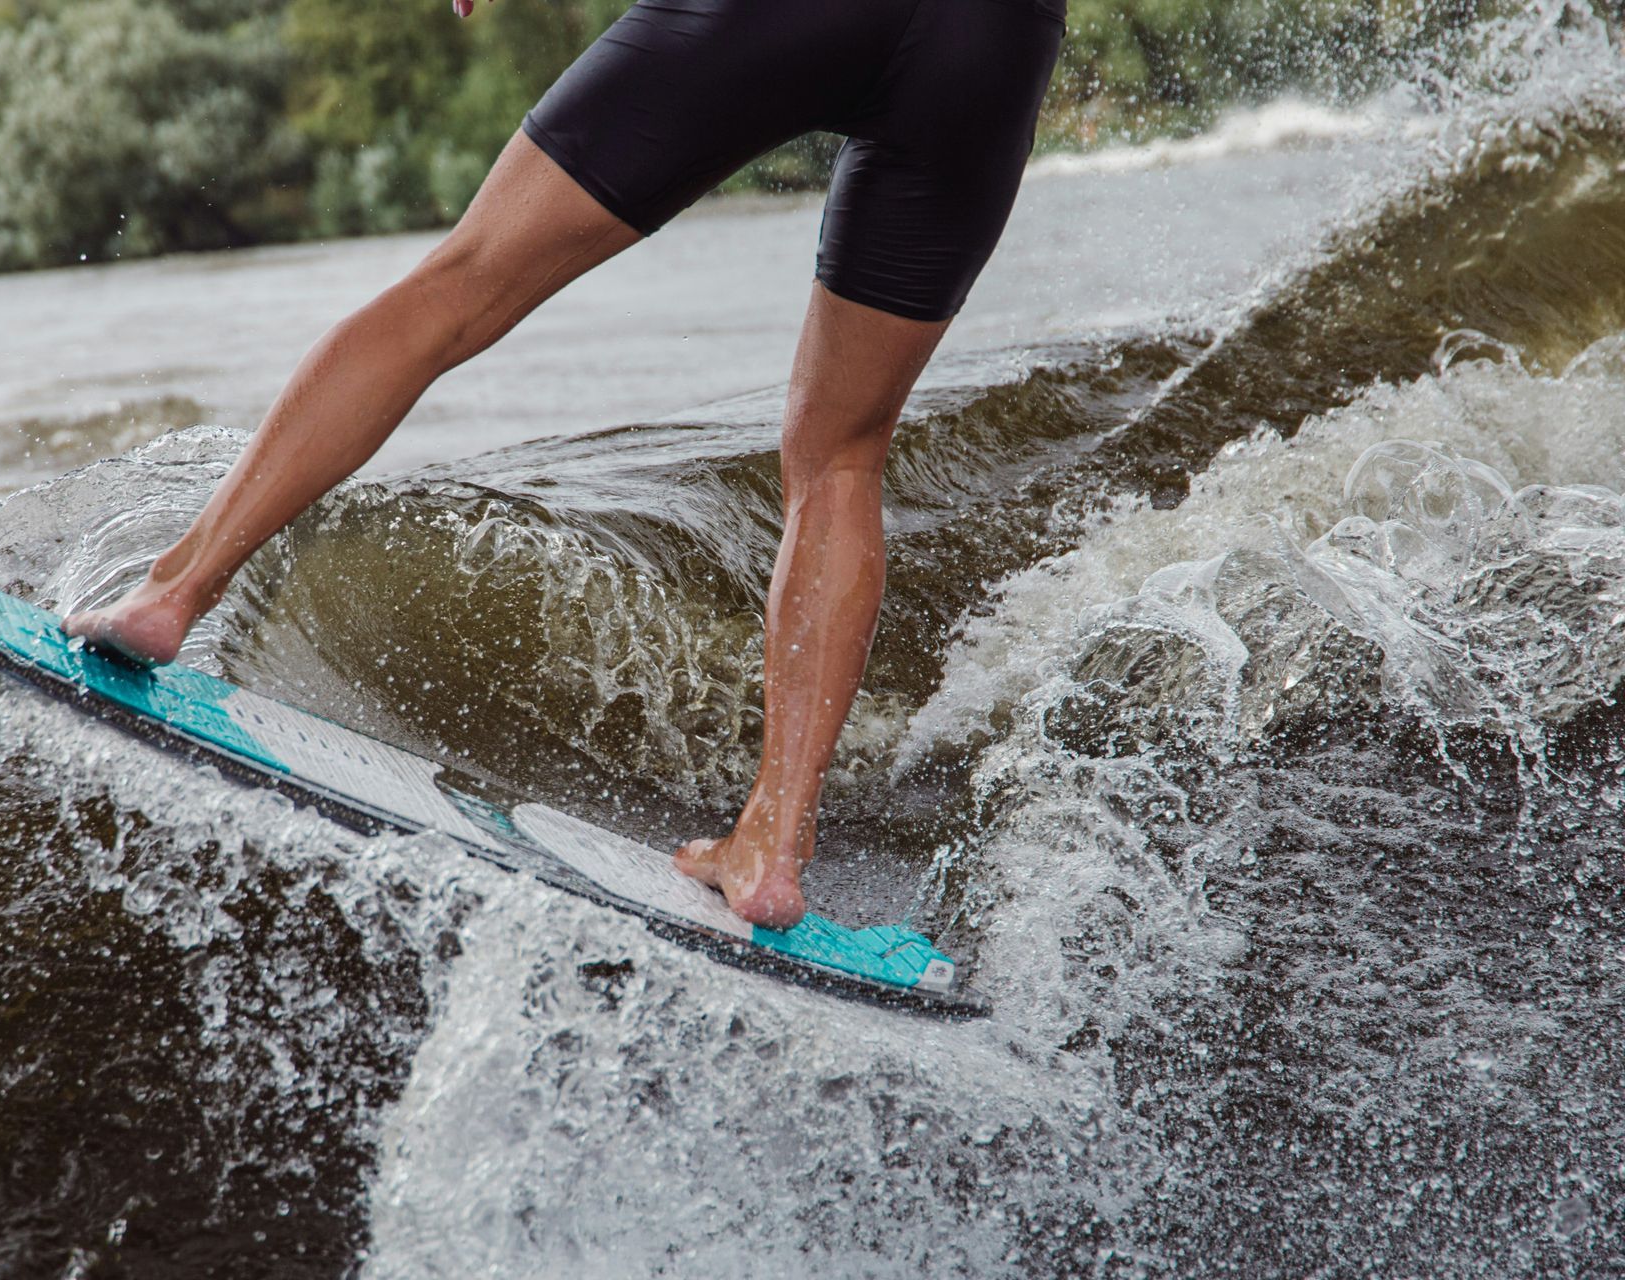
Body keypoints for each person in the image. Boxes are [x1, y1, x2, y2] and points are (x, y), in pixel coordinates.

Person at [63, 0, 1065, 929]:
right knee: (841, 458)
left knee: (457, 289)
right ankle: (771, 844)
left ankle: (173, 591)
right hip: (993, 36)